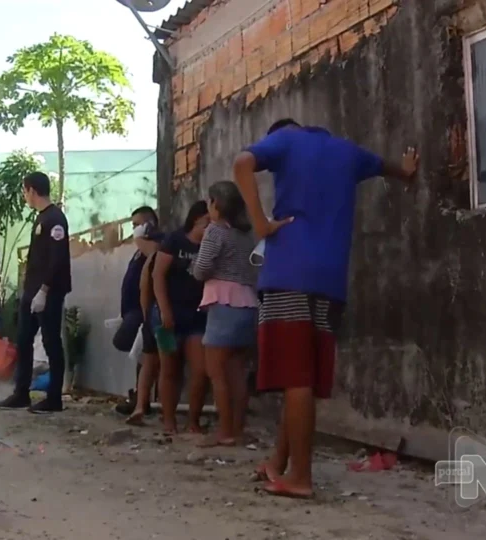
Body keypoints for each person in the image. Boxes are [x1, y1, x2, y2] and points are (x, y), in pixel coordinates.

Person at [235, 118, 419, 498]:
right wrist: (408, 172)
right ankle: (278, 463)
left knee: (294, 379)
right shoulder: (347, 151)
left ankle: (301, 477)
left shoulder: (282, 140)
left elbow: (241, 164)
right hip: (330, 278)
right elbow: (387, 167)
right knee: (300, 379)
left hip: (289, 271)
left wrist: (260, 224)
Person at [0, 172, 72, 413]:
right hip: (32, 293)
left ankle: (54, 399)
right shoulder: (40, 218)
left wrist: (44, 290)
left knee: (51, 343)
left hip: (47, 292)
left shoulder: (55, 219)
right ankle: (21, 393)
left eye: (24, 191)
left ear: (32, 190)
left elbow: (56, 260)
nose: (24, 196)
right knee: (24, 340)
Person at [192, 181, 259, 448]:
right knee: (236, 373)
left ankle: (225, 431)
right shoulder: (245, 234)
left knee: (216, 371)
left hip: (223, 302)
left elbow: (201, 268)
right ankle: (238, 429)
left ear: (216, 204)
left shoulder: (215, 232)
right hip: (247, 302)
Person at [149, 201, 210, 435]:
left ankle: (193, 421)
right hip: (169, 315)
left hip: (198, 316)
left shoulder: (211, 244)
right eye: (207, 221)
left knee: (200, 370)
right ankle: (169, 421)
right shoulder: (175, 240)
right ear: (196, 219)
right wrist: (164, 310)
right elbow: (157, 276)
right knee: (169, 369)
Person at [114, 206, 163, 417]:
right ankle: (139, 399)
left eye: (137, 225)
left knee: (141, 351)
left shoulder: (155, 246)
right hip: (132, 309)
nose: (133, 230)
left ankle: (142, 400)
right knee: (141, 356)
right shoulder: (138, 249)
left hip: (145, 310)